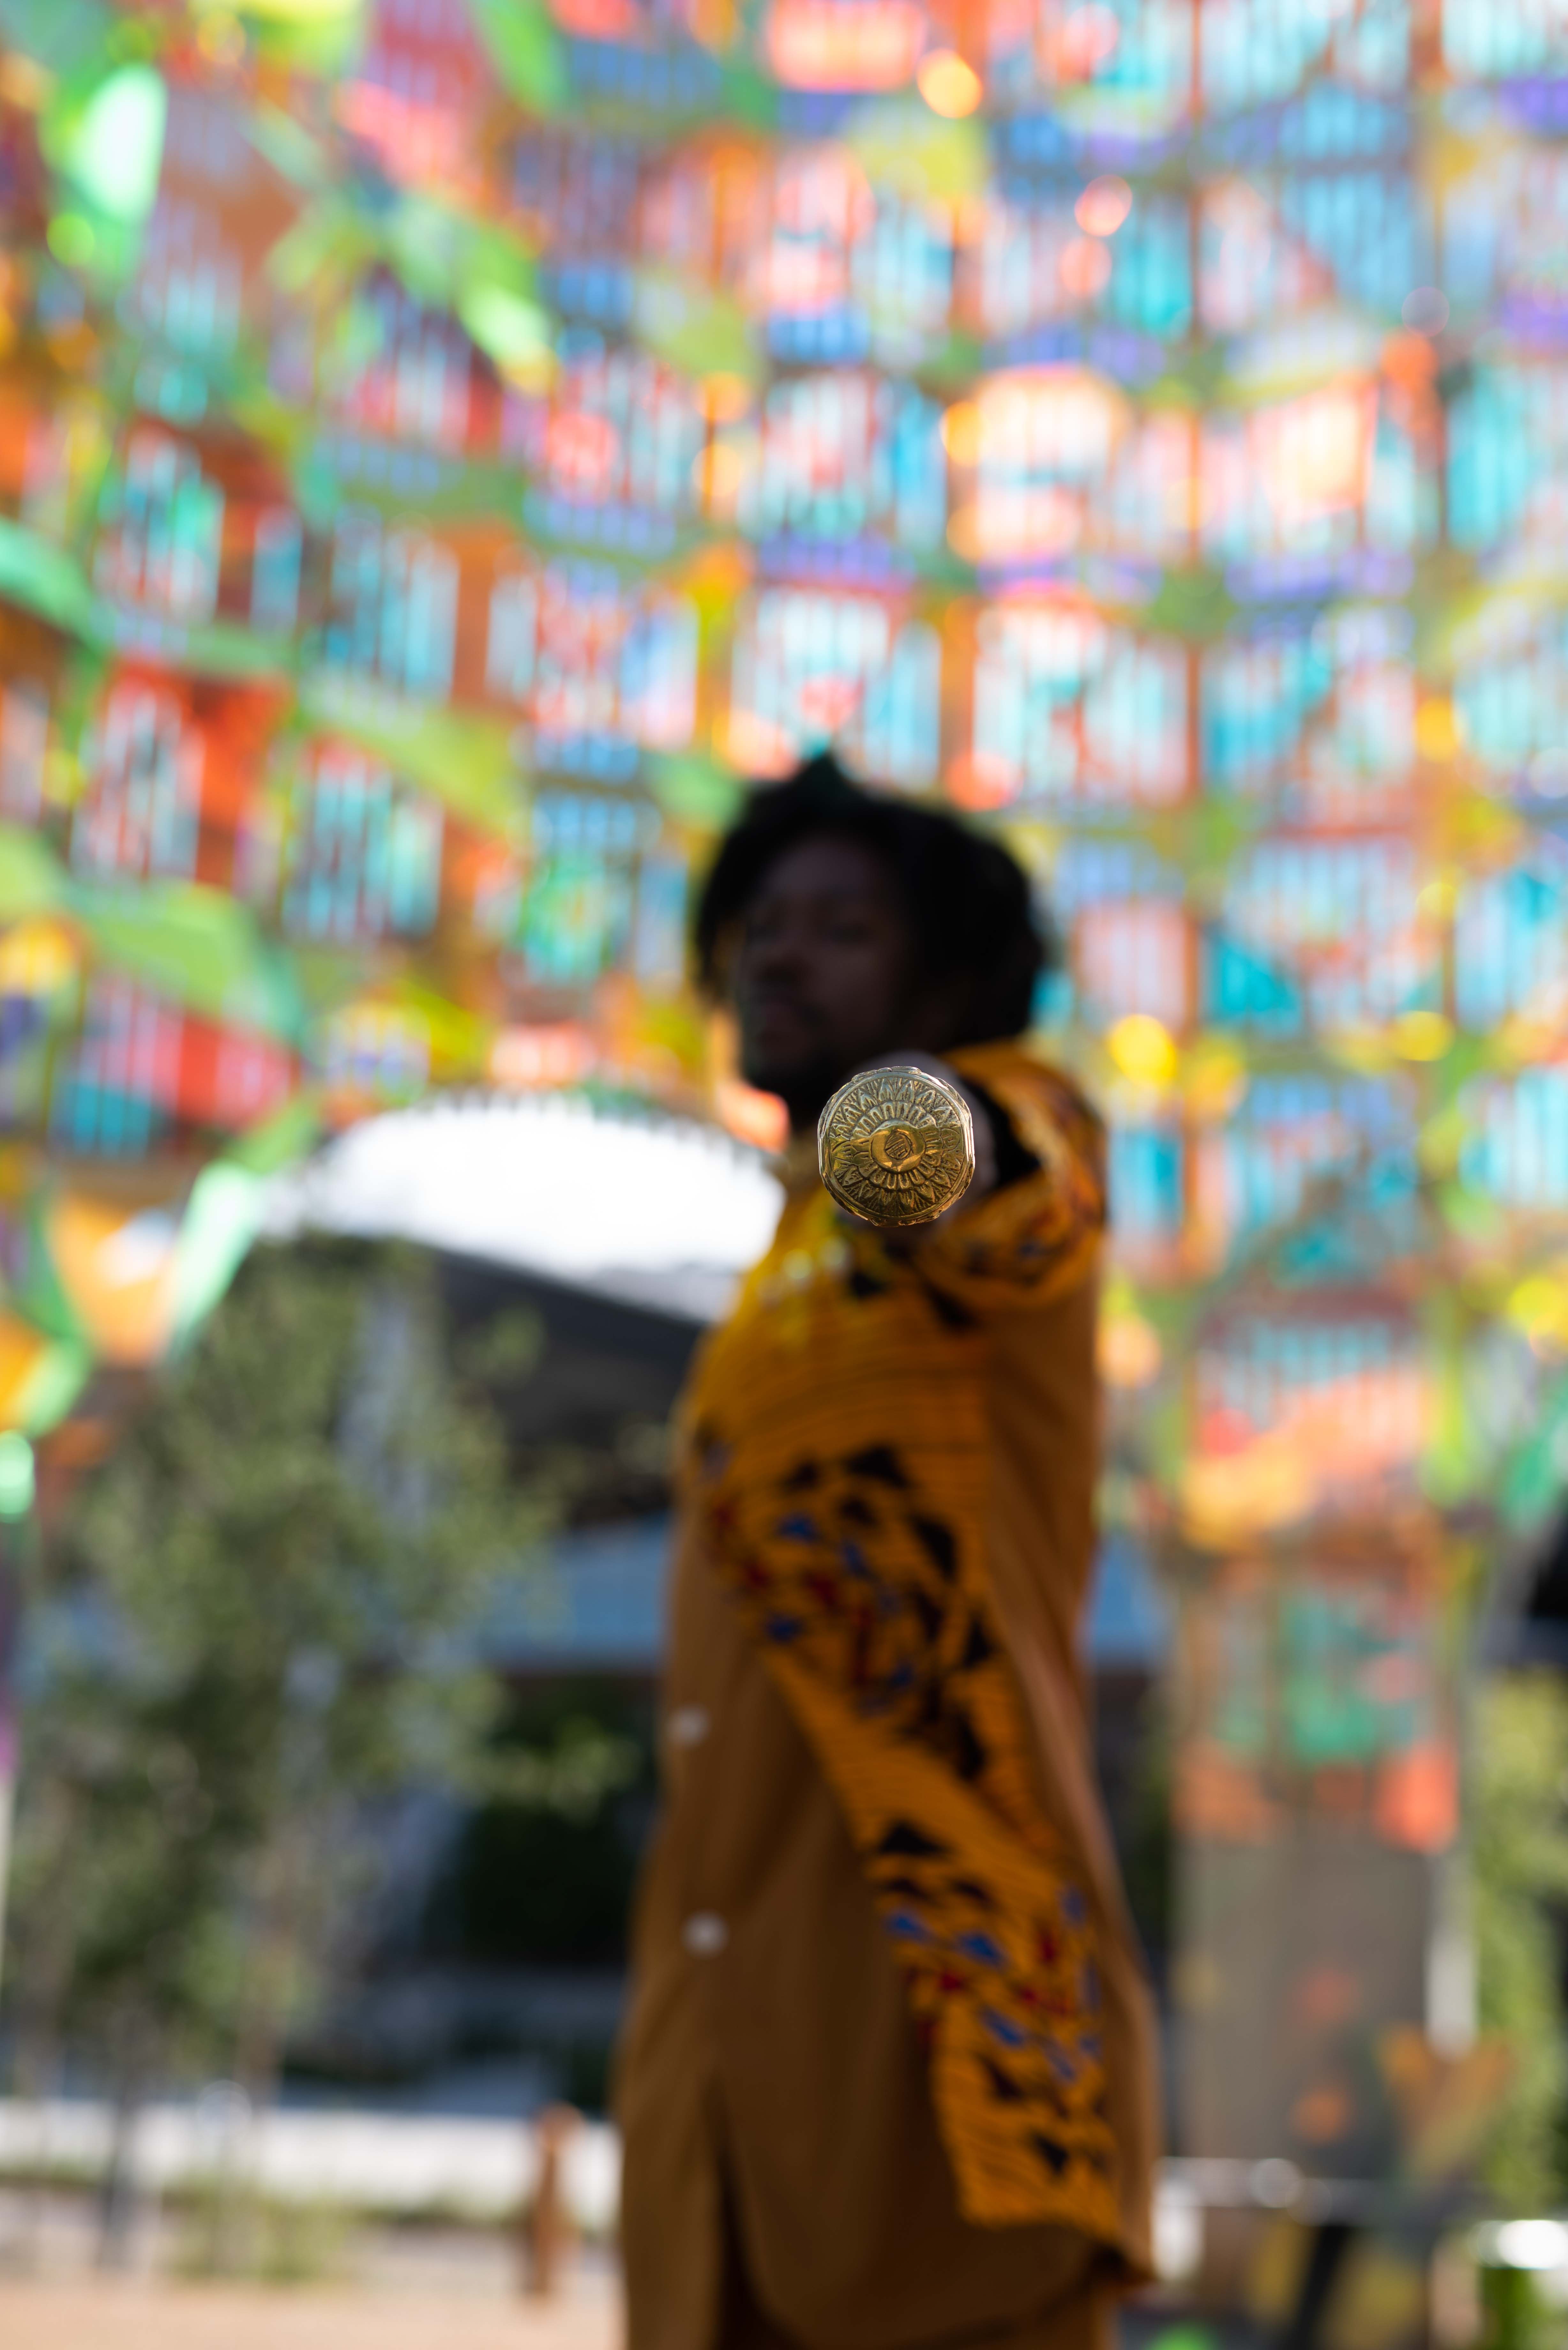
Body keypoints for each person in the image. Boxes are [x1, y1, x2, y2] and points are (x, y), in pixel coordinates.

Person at [617, 754, 1159, 2350]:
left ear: (952, 979)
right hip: (723, 2062)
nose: (775, 959)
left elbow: (990, 1171)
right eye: (758, 930)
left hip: (946, 2045)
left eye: (840, 927)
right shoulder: (781, 1259)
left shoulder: (1002, 1137)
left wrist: (901, 1106)